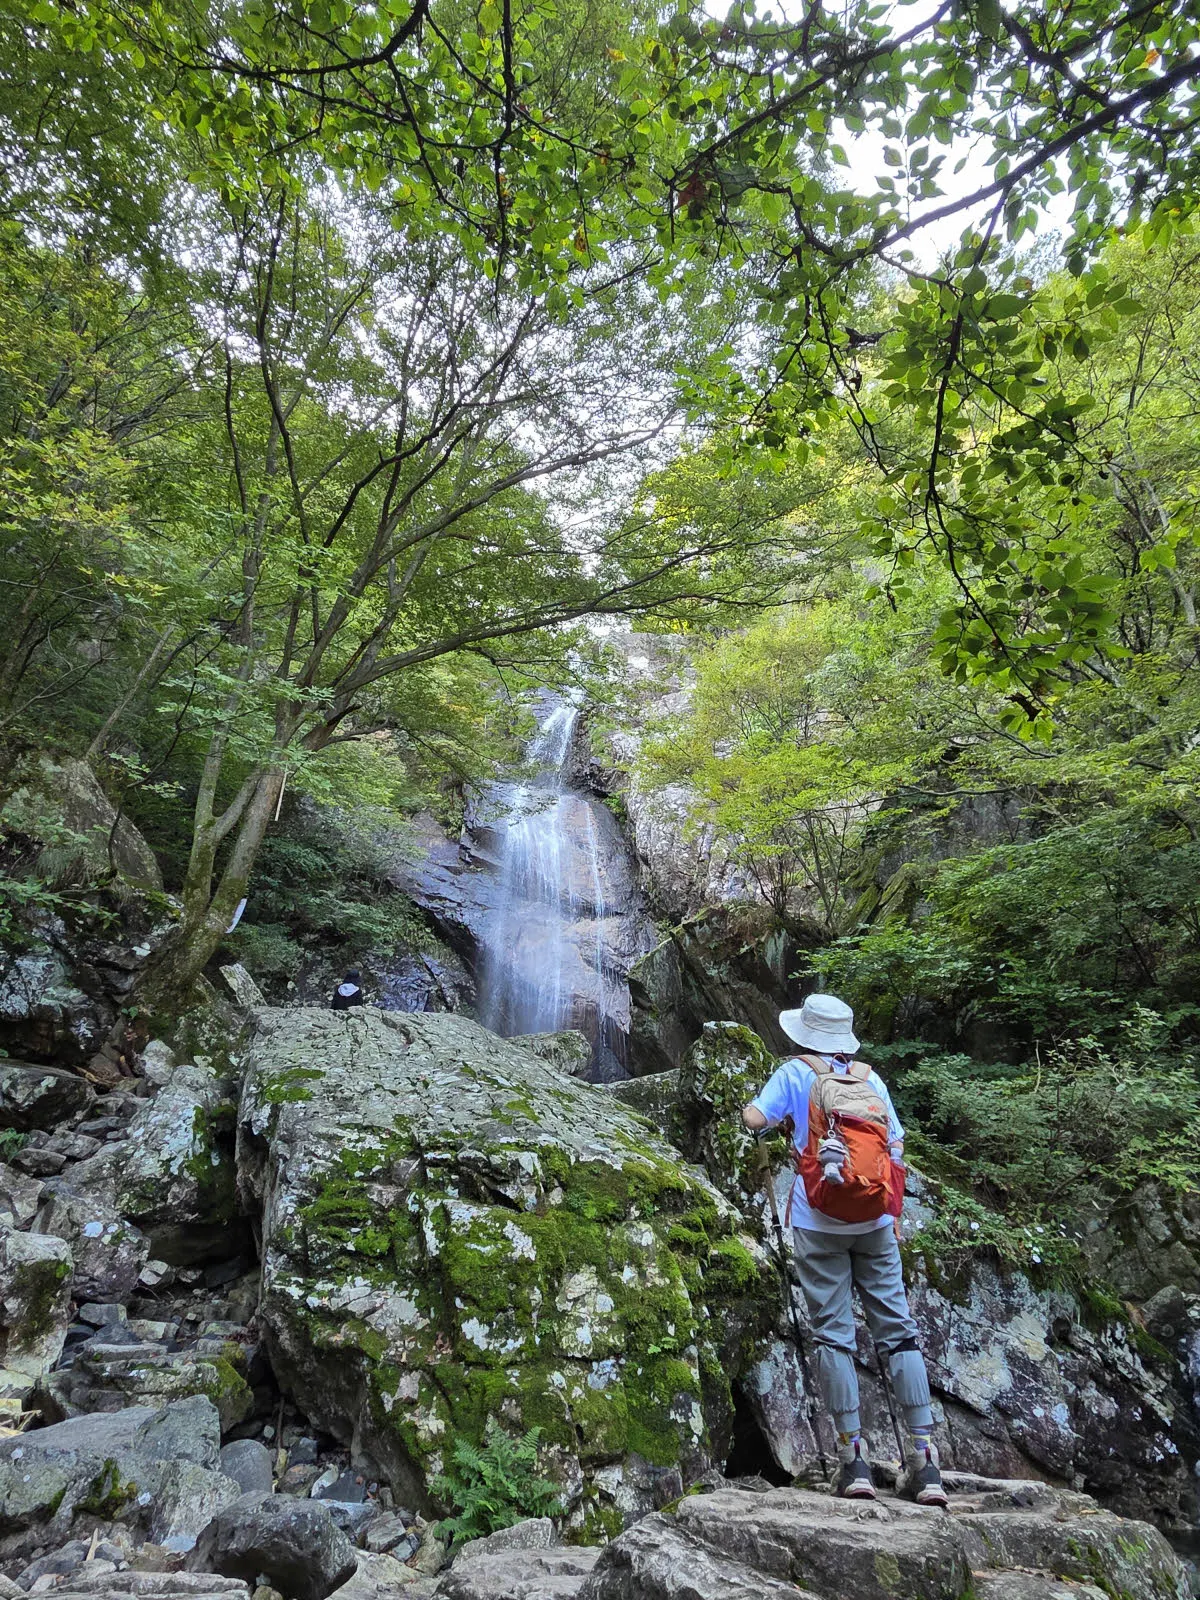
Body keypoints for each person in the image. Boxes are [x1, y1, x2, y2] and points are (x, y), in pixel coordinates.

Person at [742, 992, 947, 1507]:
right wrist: (890, 1213)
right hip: (876, 1220)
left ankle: (852, 1460)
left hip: (819, 1221)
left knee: (833, 1334)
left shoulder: (794, 1073)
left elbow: (753, 1120)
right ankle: (925, 1463)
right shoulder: (869, 1080)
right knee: (898, 1331)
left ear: (804, 1033)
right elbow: (896, 1145)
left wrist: (769, 1117)